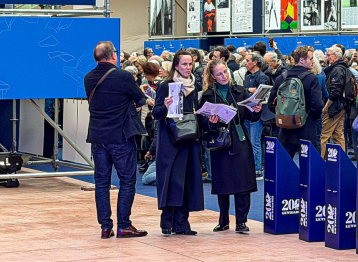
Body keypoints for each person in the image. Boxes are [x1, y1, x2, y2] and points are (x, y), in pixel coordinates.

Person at [84, 41, 148, 239]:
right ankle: (124, 225)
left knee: (101, 182)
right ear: (113, 56)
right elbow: (141, 100)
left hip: (97, 136)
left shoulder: (88, 78)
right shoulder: (123, 76)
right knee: (127, 181)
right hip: (120, 136)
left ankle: (105, 226)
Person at [198, 60, 262, 232]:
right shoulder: (208, 95)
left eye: (225, 72)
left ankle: (242, 221)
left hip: (240, 139)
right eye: (219, 74)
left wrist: (256, 111)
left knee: (243, 181)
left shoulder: (239, 91)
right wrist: (211, 122)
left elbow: (250, 117)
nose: (224, 76)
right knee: (222, 182)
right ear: (212, 76)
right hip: (220, 142)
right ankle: (223, 219)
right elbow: (202, 122)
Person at [152, 49, 205, 236]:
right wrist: (165, 107)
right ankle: (167, 222)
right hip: (170, 141)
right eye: (184, 64)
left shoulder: (194, 86)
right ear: (176, 65)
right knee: (171, 180)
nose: (188, 68)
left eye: (190, 64)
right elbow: (156, 114)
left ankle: (182, 223)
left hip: (189, 139)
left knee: (187, 180)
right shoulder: (166, 86)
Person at [267, 46, 324, 157]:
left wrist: (285, 114)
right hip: (307, 129)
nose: (313, 61)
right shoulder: (312, 79)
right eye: (311, 58)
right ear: (302, 60)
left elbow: (271, 104)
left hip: (285, 130)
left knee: (284, 167)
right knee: (308, 167)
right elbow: (317, 105)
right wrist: (311, 118)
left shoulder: (281, 78)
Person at [242, 52, 268, 178]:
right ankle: (250, 168)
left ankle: (257, 170)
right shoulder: (248, 77)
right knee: (248, 142)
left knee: (255, 142)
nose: (245, 63)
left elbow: (261, 94)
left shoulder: (262, 77)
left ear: (255, 62)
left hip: (256, 113)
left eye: (247, 60)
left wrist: (249, 91)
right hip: (247, 112)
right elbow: (244, 92)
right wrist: (249, 90)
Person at [320, 45, 349, 152]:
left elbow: (335, 91)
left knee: (324, 135)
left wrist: (327, 106)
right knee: (338, 134)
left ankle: (322, 162)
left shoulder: (337, 69)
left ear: (335, 56)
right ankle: (342, 161)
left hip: (334, 106)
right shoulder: (343, 67)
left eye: (329, 55)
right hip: (341, 105)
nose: (327, 57)